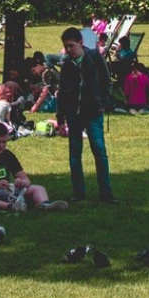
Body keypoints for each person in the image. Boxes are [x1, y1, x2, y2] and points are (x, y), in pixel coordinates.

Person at [57, 26, 115, 202]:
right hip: (74, 114)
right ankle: (78, 194)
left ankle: (106, 194)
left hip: (92, 111)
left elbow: (106, 81)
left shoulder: (94, 58)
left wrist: (102, 102)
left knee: (99, 152)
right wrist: (61, 118)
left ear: (81, 43)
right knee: (75, 155)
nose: (68, 50)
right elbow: (63, 92)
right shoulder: (67, 64)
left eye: (71, 46)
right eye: (66, 46)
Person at [0, 122, 66, 211]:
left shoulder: (8, 155)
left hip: (6, 191)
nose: (1, 146)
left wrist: (21, 182)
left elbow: (26, 179)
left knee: (38, 188)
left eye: (4, 142)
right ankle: (10, 206)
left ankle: (44, 205)